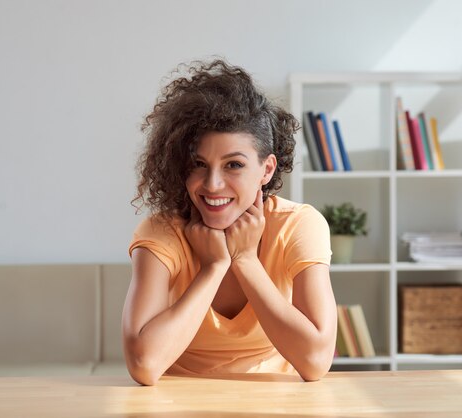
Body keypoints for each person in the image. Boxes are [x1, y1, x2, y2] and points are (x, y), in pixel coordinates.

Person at [122, 59, 337, 385]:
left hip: (276, 405)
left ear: (266, 170)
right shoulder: (162, 233)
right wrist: (213, 267)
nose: (212, 184)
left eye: (233, 165)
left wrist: (246, 260)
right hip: (179, 403)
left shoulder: (298, 226)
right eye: (198, 164)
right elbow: (143, 364)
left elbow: (316, 362)